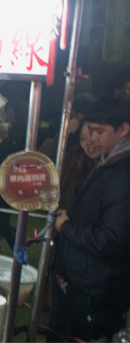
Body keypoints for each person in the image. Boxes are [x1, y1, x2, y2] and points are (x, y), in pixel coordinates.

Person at [53, 95, 130, 341]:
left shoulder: (123, 175)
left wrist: (67, 226)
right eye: (89, 132)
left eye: (99, 131)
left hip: (99, 289)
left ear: (123, 129)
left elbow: (111, 239)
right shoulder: (109, 163)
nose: (94, 139)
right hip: (86, 282)